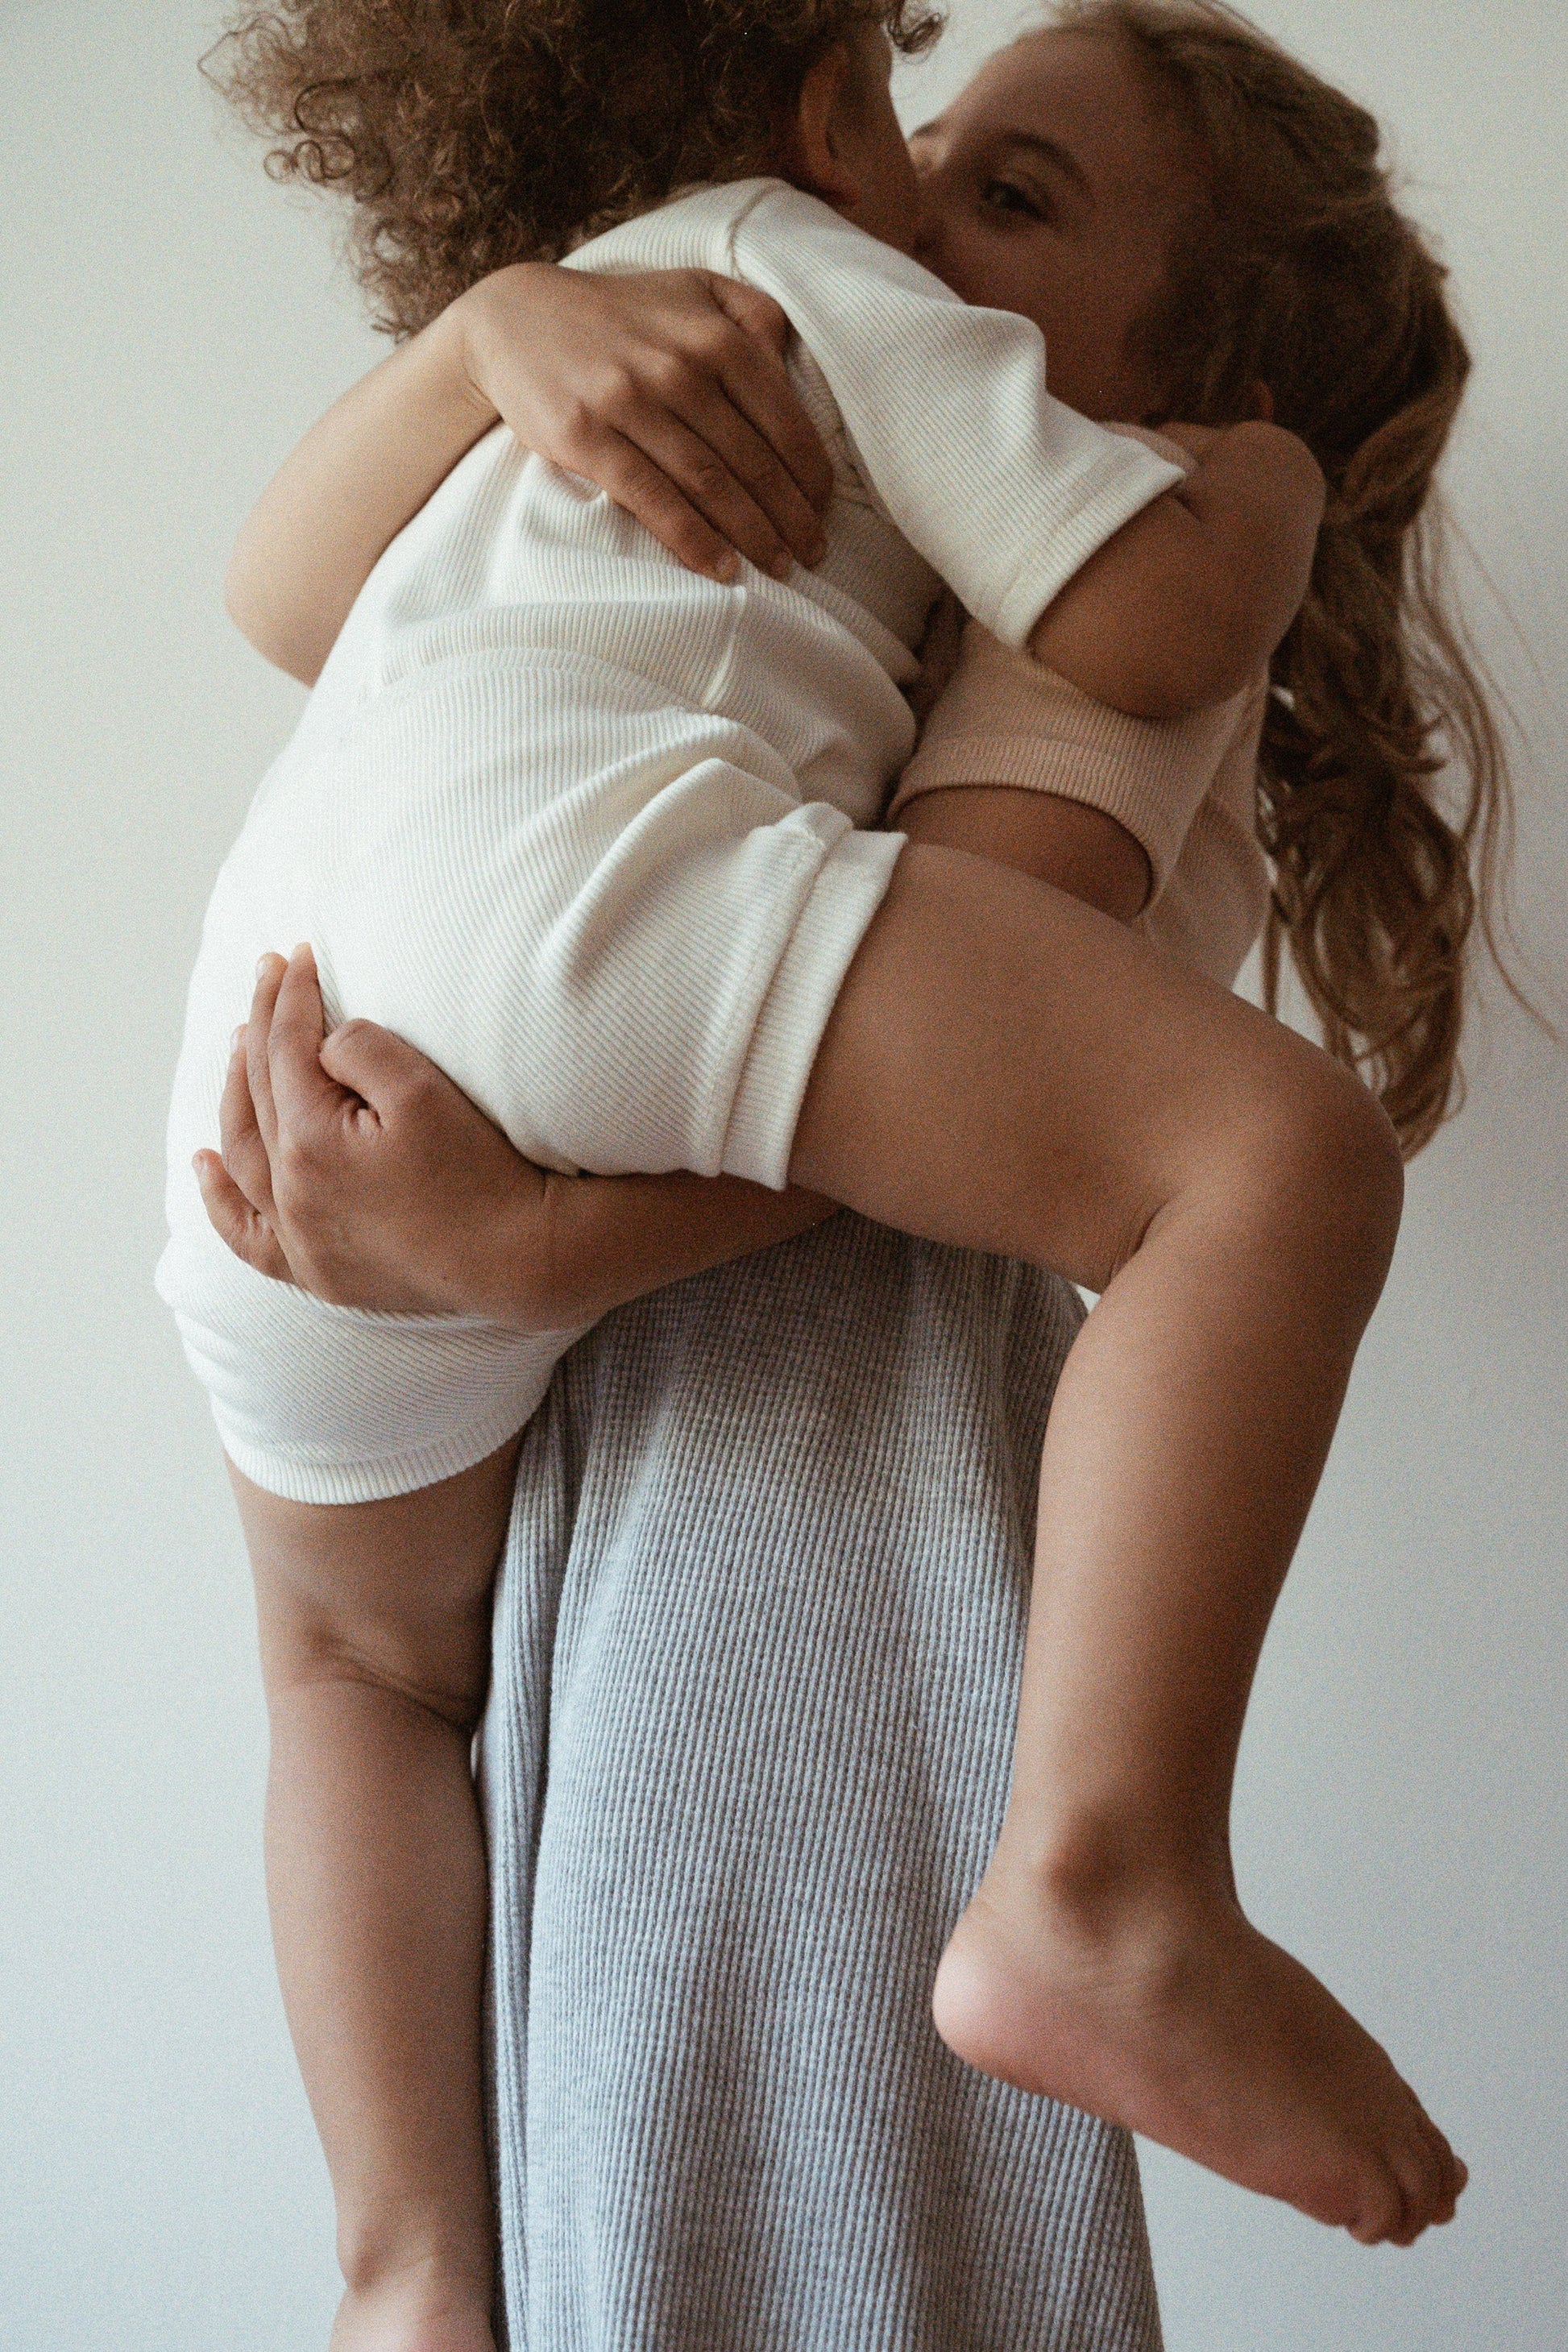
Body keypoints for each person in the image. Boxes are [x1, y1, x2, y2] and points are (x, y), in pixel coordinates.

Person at [182, 2, 1509, 2342]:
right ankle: (1104, 1880)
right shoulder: (824, 292)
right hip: (574, 958)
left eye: (1009, 194)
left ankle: (400, 2269)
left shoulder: (659, 315)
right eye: (928, 139)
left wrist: (496, 333)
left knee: (348, 1678)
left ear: (1179, 356)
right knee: (1264, 1158)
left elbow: (282, 602)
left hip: (271, 1032)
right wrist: (1262, 509)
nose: (911, 191)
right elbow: (1156, 623)